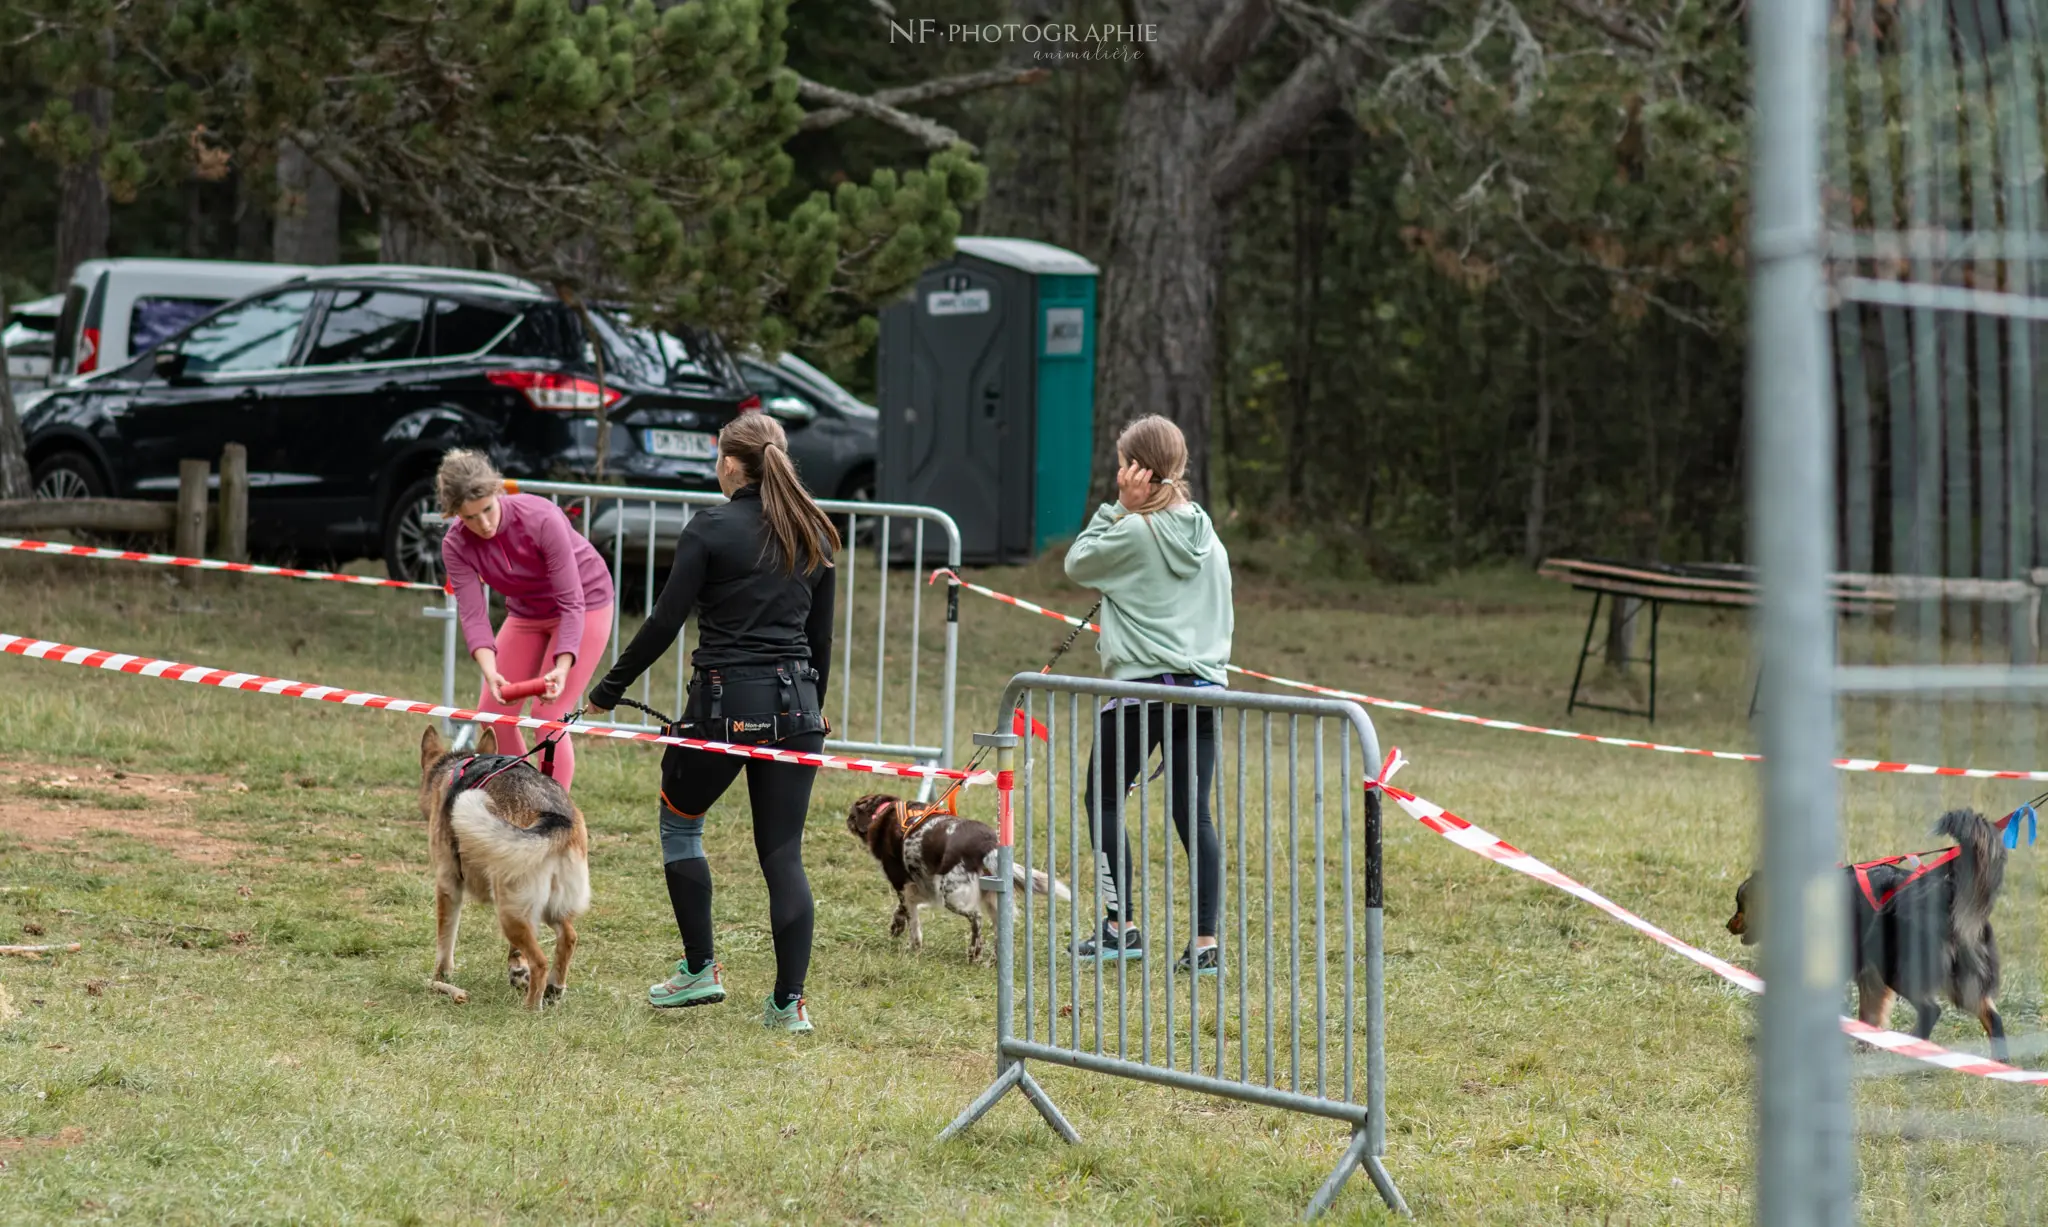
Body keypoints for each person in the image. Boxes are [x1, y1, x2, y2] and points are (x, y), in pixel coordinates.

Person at [585, 412, 838, 1034]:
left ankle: (700, 970)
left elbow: (665, 623)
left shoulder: (711, 527)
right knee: (784, 856)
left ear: (730, 463)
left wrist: (609, 689)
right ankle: (789, 1005)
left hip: (725, 710)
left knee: (679, 820)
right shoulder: (814, 532)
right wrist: (815, 707)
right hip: (798, 711)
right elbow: (820, 641)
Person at [1063, 415, 1234, 972]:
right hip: (1204, 690)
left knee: (1104, 800)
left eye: (1122, 464)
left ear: (1138, 470)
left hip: (1141, 688)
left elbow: (1078, 563)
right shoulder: (1210, 539)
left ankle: (1121, 928)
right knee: (1195, 814)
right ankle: (1206, 945)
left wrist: (1118, 508)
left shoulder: (1133, 530)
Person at [438, 449, 615, 790]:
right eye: (470, 517)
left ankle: (555, 818)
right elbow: (474, 615)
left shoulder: (541, 517)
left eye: (488, 510)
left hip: (584, 602)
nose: (484, 525)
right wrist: (491, 673)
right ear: (456, 514)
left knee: (547, 716)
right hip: (527, 612)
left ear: (498, 492)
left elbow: (571, 600)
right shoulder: (456, 544)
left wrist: (562, 667)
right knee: (493, 716)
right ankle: (521, 800)